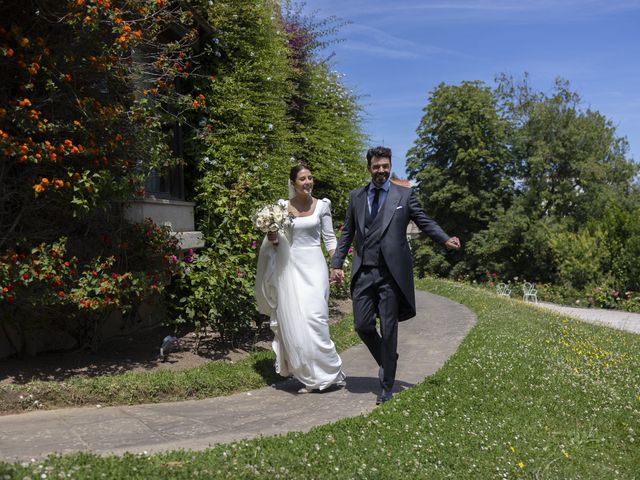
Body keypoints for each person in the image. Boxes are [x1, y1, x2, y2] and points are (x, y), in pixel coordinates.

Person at [330, 146, 461, 404]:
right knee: (362, 325)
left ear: (390, 166)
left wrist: (445, 239)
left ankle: (387, 386)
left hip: (391, 274)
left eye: (385, 166)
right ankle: (388, 358)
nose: (381, 171)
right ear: (369, 168)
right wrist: (337, 263)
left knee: (389, 329)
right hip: (364, 271)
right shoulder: (356, 196)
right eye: (376, 166)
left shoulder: (404, 195)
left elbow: (424, 221)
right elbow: (348, 233)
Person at [255, 164, 346, 393]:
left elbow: (330, 238)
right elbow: (278, 244)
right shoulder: (281, 208)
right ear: (293, 183)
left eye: (310, 178)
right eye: (302, 179)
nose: (307, 182)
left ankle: (329, 372)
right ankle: (310, 377)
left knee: (316, 319)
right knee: (297, 322)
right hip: (291, 268)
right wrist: (272, 236)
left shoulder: (322, 206)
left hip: (315, 266)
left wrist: (337, 265)